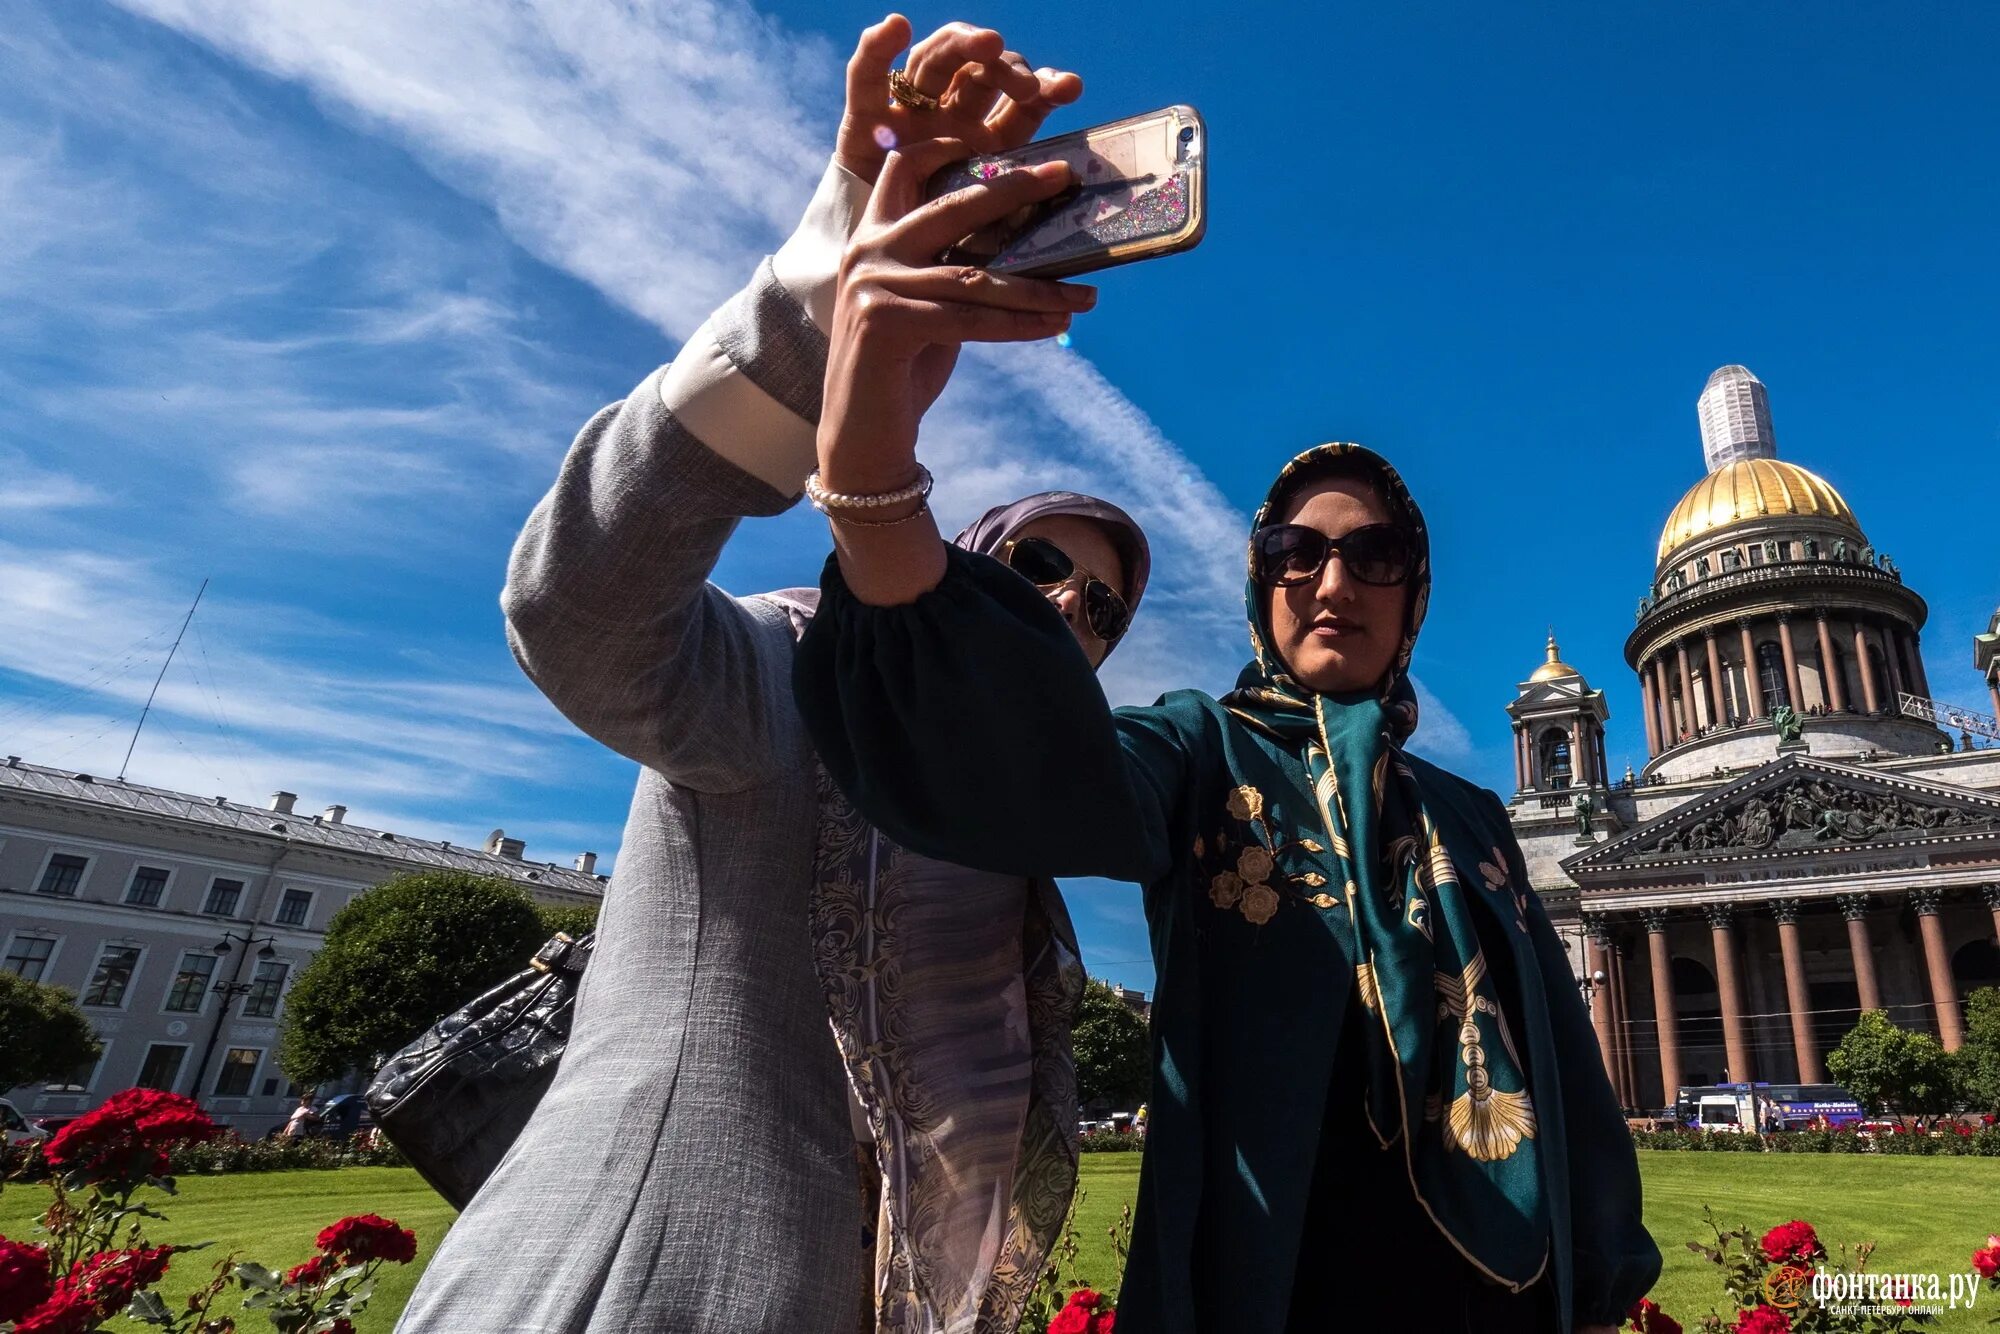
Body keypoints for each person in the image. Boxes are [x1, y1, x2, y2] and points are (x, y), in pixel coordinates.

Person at [788, 122, 1662, 1333]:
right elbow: (1033, 772)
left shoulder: (1468, 818)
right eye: (1294, 553)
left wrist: (1607, 1277)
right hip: (1280, 1280)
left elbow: (1563, 1069)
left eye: (1374, 555)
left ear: (1414, 598)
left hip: (1497, 1298)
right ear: (1261, 589)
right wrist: (870, 463)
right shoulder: (1199, 750)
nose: (1331, 581)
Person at [395, 19, 1152, 1334]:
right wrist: (817, 312)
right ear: (962, 554)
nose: (1070, 608)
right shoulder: (796, 665)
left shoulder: (1020, 823)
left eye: (1101, 605)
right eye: (1035, 563)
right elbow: (573, 607)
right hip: (650, 1288)